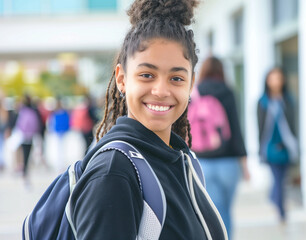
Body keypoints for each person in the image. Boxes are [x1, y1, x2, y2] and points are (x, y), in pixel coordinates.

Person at [68, 0, 227, 239]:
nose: (161, 90)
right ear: (122, 79)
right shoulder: (114, 173)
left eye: (176, 78)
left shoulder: (177, 158)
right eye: (147, 75)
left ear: (192, 83)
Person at [191, 56, 249, 239]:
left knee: (214, 210)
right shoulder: (228, 92)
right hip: (229, 163)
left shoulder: (194, 92)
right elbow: (236, 129)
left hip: (203, 162)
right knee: (225, 209)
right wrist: (244, 164)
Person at [257, 67, 298, 223]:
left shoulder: (288, 100)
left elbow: (293, 125)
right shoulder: (262, 102)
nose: (276, 82)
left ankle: (274, 199)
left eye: (279, 78)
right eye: (273, 78)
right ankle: (281, 212)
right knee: (278, 179)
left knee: (282, 180)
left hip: (287, 146)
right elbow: (260, 128)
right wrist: (260, 150)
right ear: (267, 81)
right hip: (270, 147)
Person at [15, 94, 41, 185]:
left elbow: (19, 124)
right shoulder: (33, 110)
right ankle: (25, 170)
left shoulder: (22, 110)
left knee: (22, 153)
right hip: (30, 136)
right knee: (27, 154)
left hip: (23, 136)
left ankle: (23, 170)